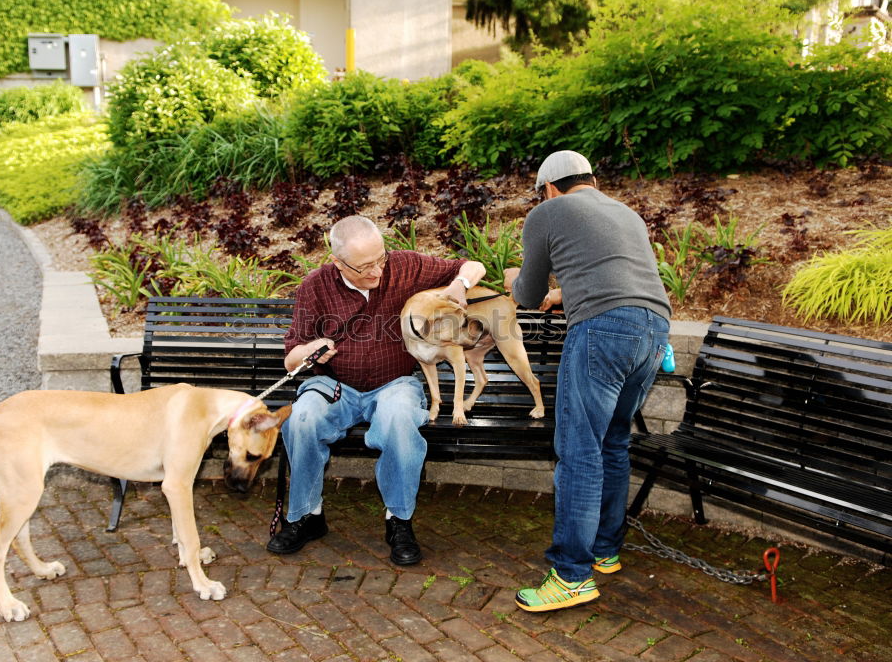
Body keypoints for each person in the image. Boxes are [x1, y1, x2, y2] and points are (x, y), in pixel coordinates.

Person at [503, 150, 671, 611]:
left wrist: (517, 279)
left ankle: (571, 576)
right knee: (613, 442)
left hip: (601, 329)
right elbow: (616, 274)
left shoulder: (548, 211)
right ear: (591, 181)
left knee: (578, 450)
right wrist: (567, 292)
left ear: (550, 188)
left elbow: (527, 294)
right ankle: (605, 551)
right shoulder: (626, 213)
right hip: (654, 331)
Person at [268, 215, 487, 565]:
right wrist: (312, 348)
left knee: (400, 419)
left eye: (380, 259)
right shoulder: (315, 286)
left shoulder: (405, 266)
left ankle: (398, 521)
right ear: (338, 263)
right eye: (364, 267)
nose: (377, 273)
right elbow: (291, 359)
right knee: (302, 419)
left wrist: (460, 283)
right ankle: (306, 516)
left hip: (394, 384)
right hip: (334, 385)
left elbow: (472, 265)